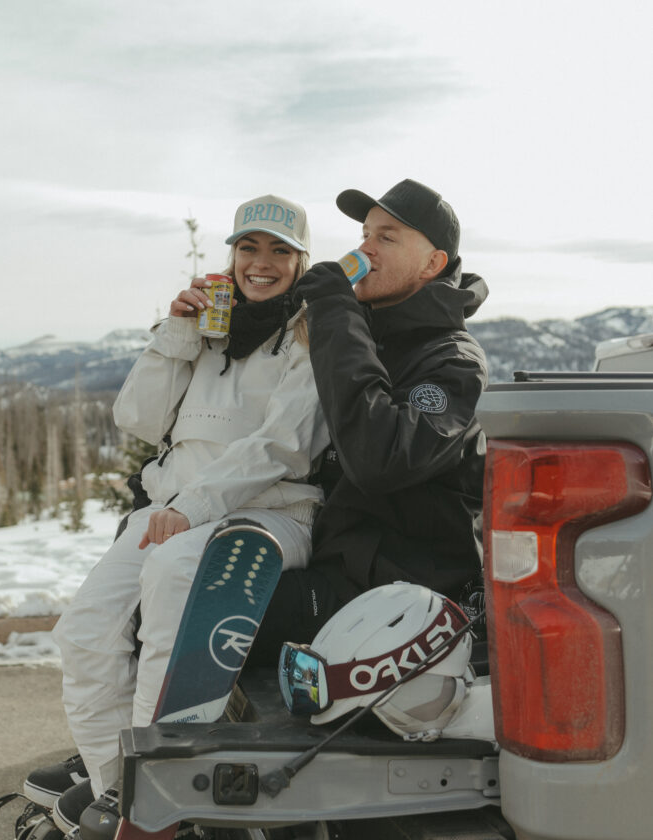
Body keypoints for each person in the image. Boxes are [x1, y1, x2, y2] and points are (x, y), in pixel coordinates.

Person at [28, 194, 330, 836]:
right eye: (249, 247)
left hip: (268, 512)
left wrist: (193, 507)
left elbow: (285, 444)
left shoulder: (311, 331)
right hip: (178, 511)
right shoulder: (210, 329)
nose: (262, 262)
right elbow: (136, 417)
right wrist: (176, 332)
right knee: (83, 633)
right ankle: (116, 789)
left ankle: (155, 790)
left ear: (302, 261)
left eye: (280, 250)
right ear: (233, 254)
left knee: (170, 585)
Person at [248, 178, 489, 664]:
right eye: (365, 234)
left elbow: (380, 458)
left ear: (432, 263)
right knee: (160, 599)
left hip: (402, 600)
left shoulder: (453, 362)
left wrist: (338, 311)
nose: (365, 248)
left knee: (216, 617)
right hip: (335, 567)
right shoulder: (363, 332)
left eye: (387, 237)